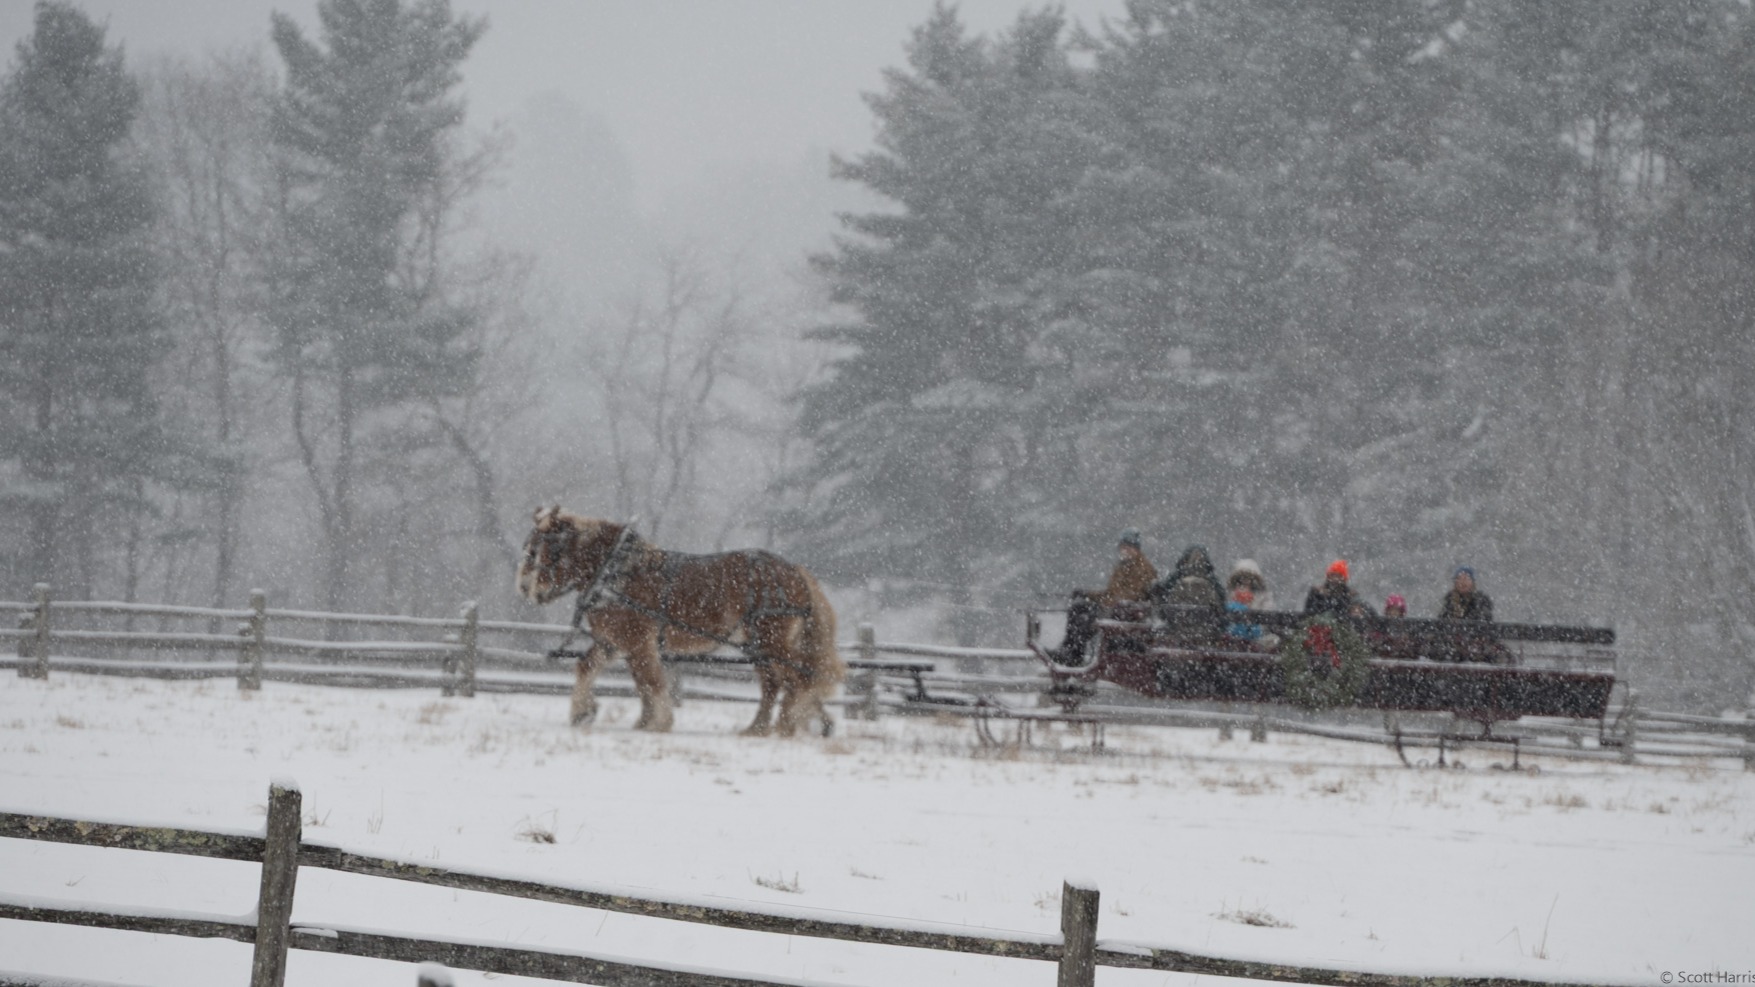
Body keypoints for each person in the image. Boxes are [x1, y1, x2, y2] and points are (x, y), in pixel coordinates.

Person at [1054, 529, 1158, 665]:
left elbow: (1132, 595)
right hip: (1114, 609)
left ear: (1136, 549)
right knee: (1078, 609)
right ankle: (1070, 652)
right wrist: (1087, 594)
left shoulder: (1143, 568)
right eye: (1122, 547)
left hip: (1124, 613)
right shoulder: (1122, 567)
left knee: (1084, 617)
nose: (1124, 550)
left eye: (1128, 547)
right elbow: (1111, 593)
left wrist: (1106, 602)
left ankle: (1073, 654)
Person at [1150, 545, 1227, 645]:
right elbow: (1221, 609)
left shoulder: (1175, 578)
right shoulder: (1212, 581)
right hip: (1205, 634)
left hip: (1177, 630)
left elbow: (1162, 607)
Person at [1303, 559, 1372, 619]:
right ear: (1328, 577)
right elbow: (1309, 612)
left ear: (1344, 579)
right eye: (1332, 575)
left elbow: (1360, 612)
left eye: (1338, 576)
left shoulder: (1351, 595)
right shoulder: (1316, 592)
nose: (1335, 579)